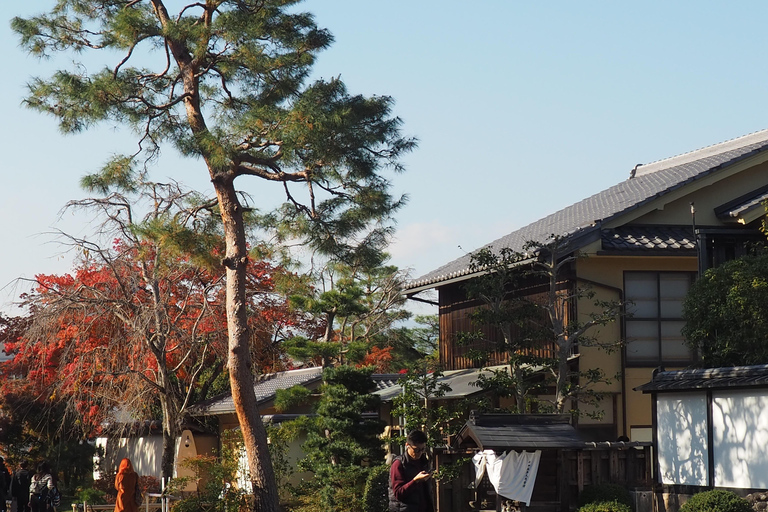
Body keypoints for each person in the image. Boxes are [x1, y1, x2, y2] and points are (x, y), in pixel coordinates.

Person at [389, 430, 434, 512]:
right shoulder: (399, 464)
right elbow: (398, 493)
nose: (419, 453)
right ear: (407, 445)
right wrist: (415, 481)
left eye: (422, 449)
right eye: (416, 450)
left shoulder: (424, 462)